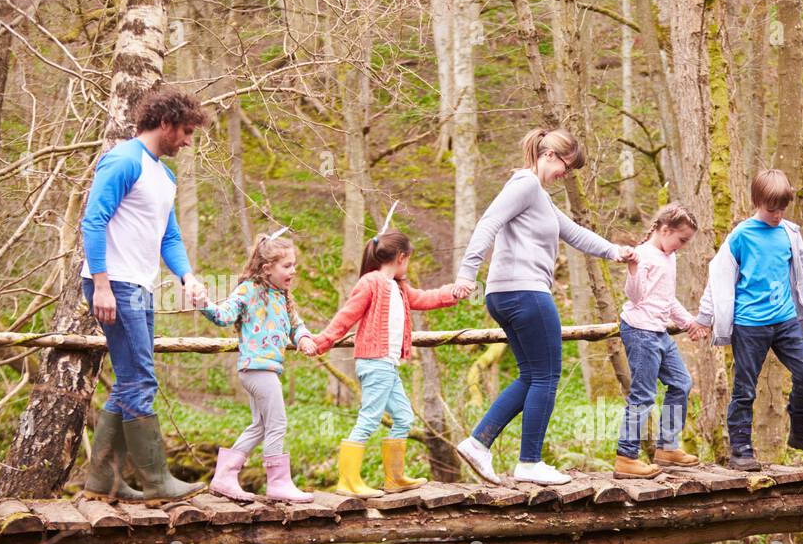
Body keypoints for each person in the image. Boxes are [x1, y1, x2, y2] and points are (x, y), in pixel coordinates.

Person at [453, 128, 635, 487]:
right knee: (548, 377)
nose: (564, 175)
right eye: (565, 167)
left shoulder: (539, 197)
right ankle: (530, 461)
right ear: (549, 155)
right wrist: (466, 272)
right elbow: (488, 221)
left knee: (532, 376)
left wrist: (615, 251)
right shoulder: (525, 185)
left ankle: (478, 443)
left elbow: (574, 232)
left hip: (506, 295)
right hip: (526, 294)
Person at [79, 85, 210, 503]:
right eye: (186, 131)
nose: (188, 142)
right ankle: (157, 482)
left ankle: (104, 481)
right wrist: (101, 285)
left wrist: (188, 277)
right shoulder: (122, 160)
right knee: (141, 378)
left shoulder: (164, 175)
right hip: (113, 283)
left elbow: (168, 236)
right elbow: (93, 222)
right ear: (166, 123)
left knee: (129, 379)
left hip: (139, 284)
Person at [693, 169, 803, 471]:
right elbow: (718, 279)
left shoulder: (789, 233)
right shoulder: (741, 235)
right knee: (745, 387)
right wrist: (704, 317)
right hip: (750, 324)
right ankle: (741, 450)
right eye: (771, 208)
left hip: (785, 320)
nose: (777, 214)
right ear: (757, 202)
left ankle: (800, 431)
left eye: (782, 207)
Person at [311, 231, 465, 498]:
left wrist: (452, 292)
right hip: (374, 362)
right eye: (409, 259)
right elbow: (347, 316)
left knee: (404, 417)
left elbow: (424, 298)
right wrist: (322, 341)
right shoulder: (371, 282)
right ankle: (347, 480)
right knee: (369, 419)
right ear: (402, 257)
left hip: (388, 365)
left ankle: (394, 478)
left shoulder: (399, 287)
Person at [201, 231, 317, 502]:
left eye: (294, 265)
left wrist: (304, 338)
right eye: (287, 265)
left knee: (261, 425)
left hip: (266, 370)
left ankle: (225, 476)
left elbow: (296, 325)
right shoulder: (249, 291)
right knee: (278, 423)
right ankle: (278, 483)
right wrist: (204, 304)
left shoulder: (282, 296)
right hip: (256, 369)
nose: (294, 270)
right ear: (267, 268)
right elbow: (223, 316)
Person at [615, 203, 707, 479]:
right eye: (681, 240)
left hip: (659, 332)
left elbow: (666, 298)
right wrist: (632, 268)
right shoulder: (642, 255)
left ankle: (667, 447)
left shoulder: (669, 257)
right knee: (643, 394)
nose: (681, 246)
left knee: (681, 382)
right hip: (640, 331)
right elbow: (636, 295)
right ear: (665, 229)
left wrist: (688, 321)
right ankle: (626, 457)